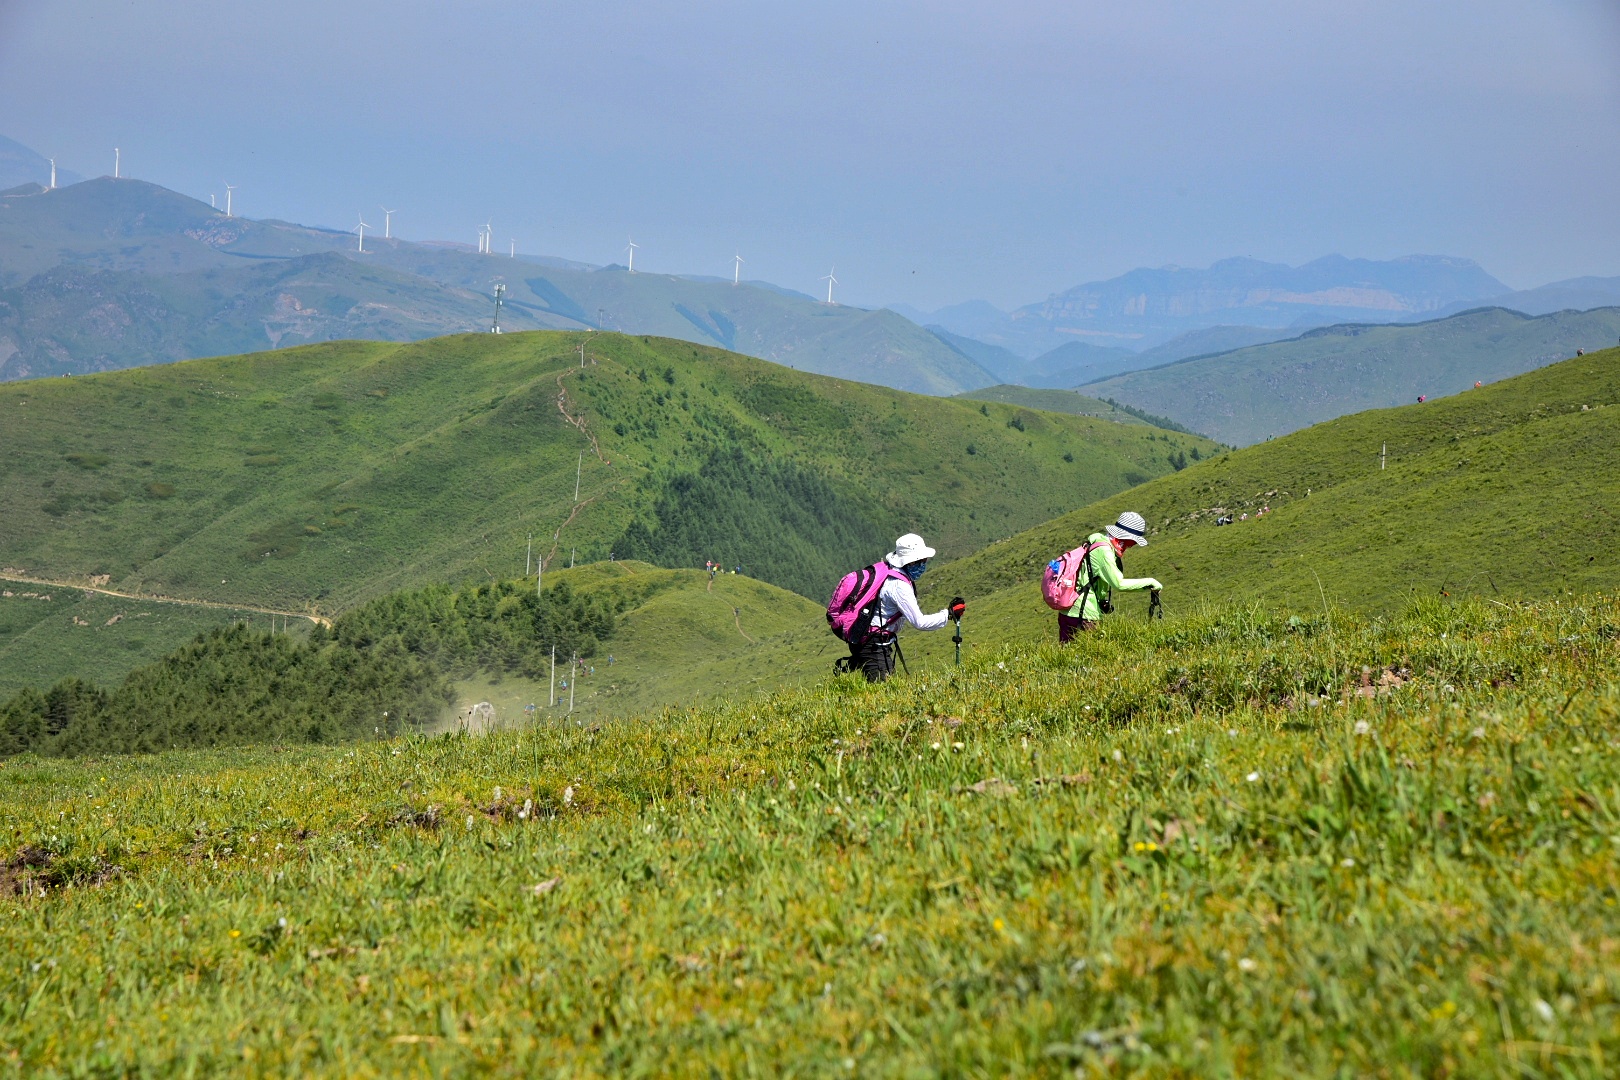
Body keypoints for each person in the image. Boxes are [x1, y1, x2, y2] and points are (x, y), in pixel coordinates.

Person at [846, 533, 965, 683]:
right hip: (875, 645)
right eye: (920, 561)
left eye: (924, 561)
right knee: (882, 691)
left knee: (881, 688)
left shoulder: (889, 571)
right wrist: (947, 614)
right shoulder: (899, 585)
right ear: (910, 562)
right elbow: (919, 622)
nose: (923, 565)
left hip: (871, 641)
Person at [1058, 511, 1161, 643]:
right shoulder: (1104, 551)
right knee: (1090, 656)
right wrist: (1150, 583)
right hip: (1084, 613)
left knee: (1069, 655)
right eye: (1131, 542)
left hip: (1070, 611)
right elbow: (1118, 584)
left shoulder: (1097, 542)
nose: (1130, 546)